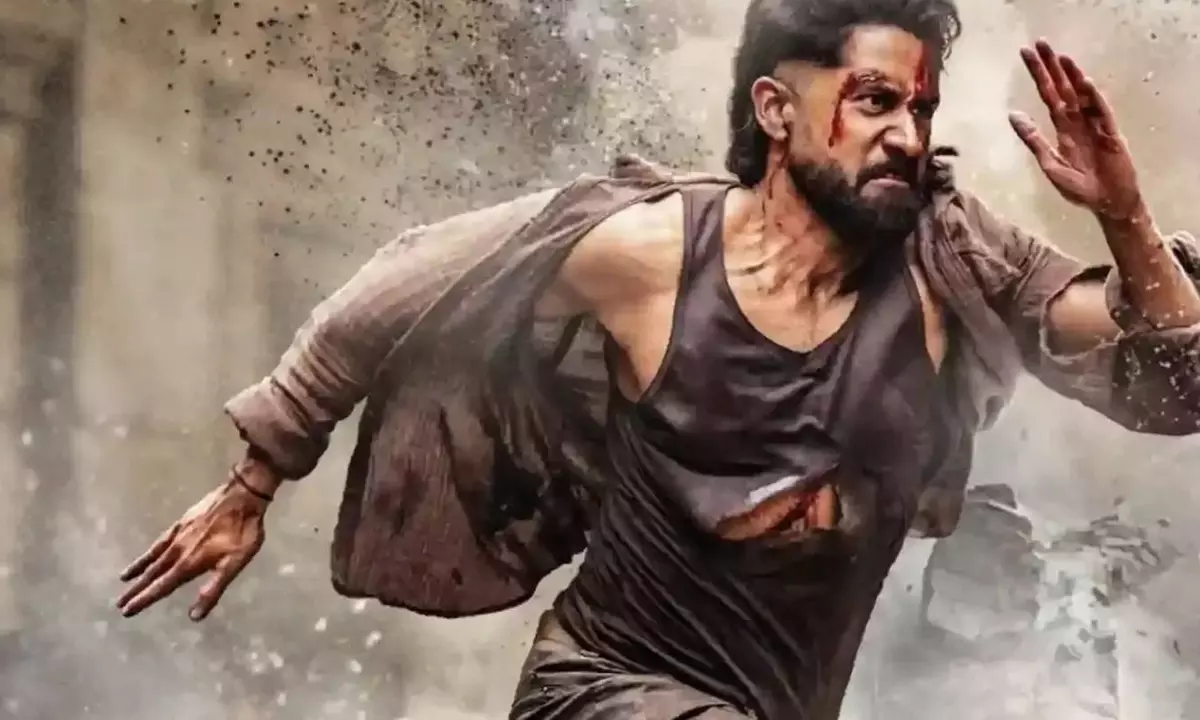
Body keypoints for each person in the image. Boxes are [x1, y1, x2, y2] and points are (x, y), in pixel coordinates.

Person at [115, 0, 1200, 718]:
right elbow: (406, 282)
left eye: (920, 108)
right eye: (875, 102)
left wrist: (1124, 218)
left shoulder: (952, 258)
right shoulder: (646, 252)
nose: (909, 137)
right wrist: (255, 480)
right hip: (601, 692)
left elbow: (1171, 384)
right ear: (776, 109)